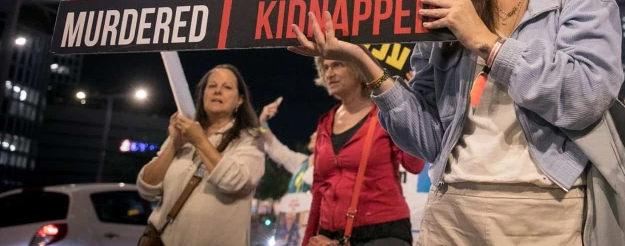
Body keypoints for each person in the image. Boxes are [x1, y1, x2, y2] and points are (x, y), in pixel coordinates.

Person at [289, 0, 625, 245]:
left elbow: (586, 97)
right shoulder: (443, 2)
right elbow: (428, 141)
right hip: (452, 213)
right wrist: (362, 61)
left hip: (545, 211)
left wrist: (488, 43)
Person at [290, 52, 424, 246]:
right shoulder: (325, 122)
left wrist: (410, 109)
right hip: (329, 236)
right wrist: (308, 241)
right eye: (325, 67)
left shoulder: (386, 114)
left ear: (358, 68)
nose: (329, 73)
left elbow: (415, 165)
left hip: (382, 234)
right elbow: (318, 191)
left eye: (338, 65)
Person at [137, 64, 265, 246]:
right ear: (203, 94)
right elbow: (146, 188)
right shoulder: (184, 133)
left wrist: (199, 140)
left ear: (240, 100)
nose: (217, 91)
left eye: (227, 87)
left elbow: (236, 181)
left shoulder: (250, 139)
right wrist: (174, 144)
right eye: (211, 86)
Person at [259, 97, 315, 244]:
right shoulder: (301, 162)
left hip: (311, 228)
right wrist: (262, 122)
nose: (312, 135)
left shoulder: (330, 167)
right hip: (289, 228)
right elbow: (277, 149)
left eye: (317, 133)